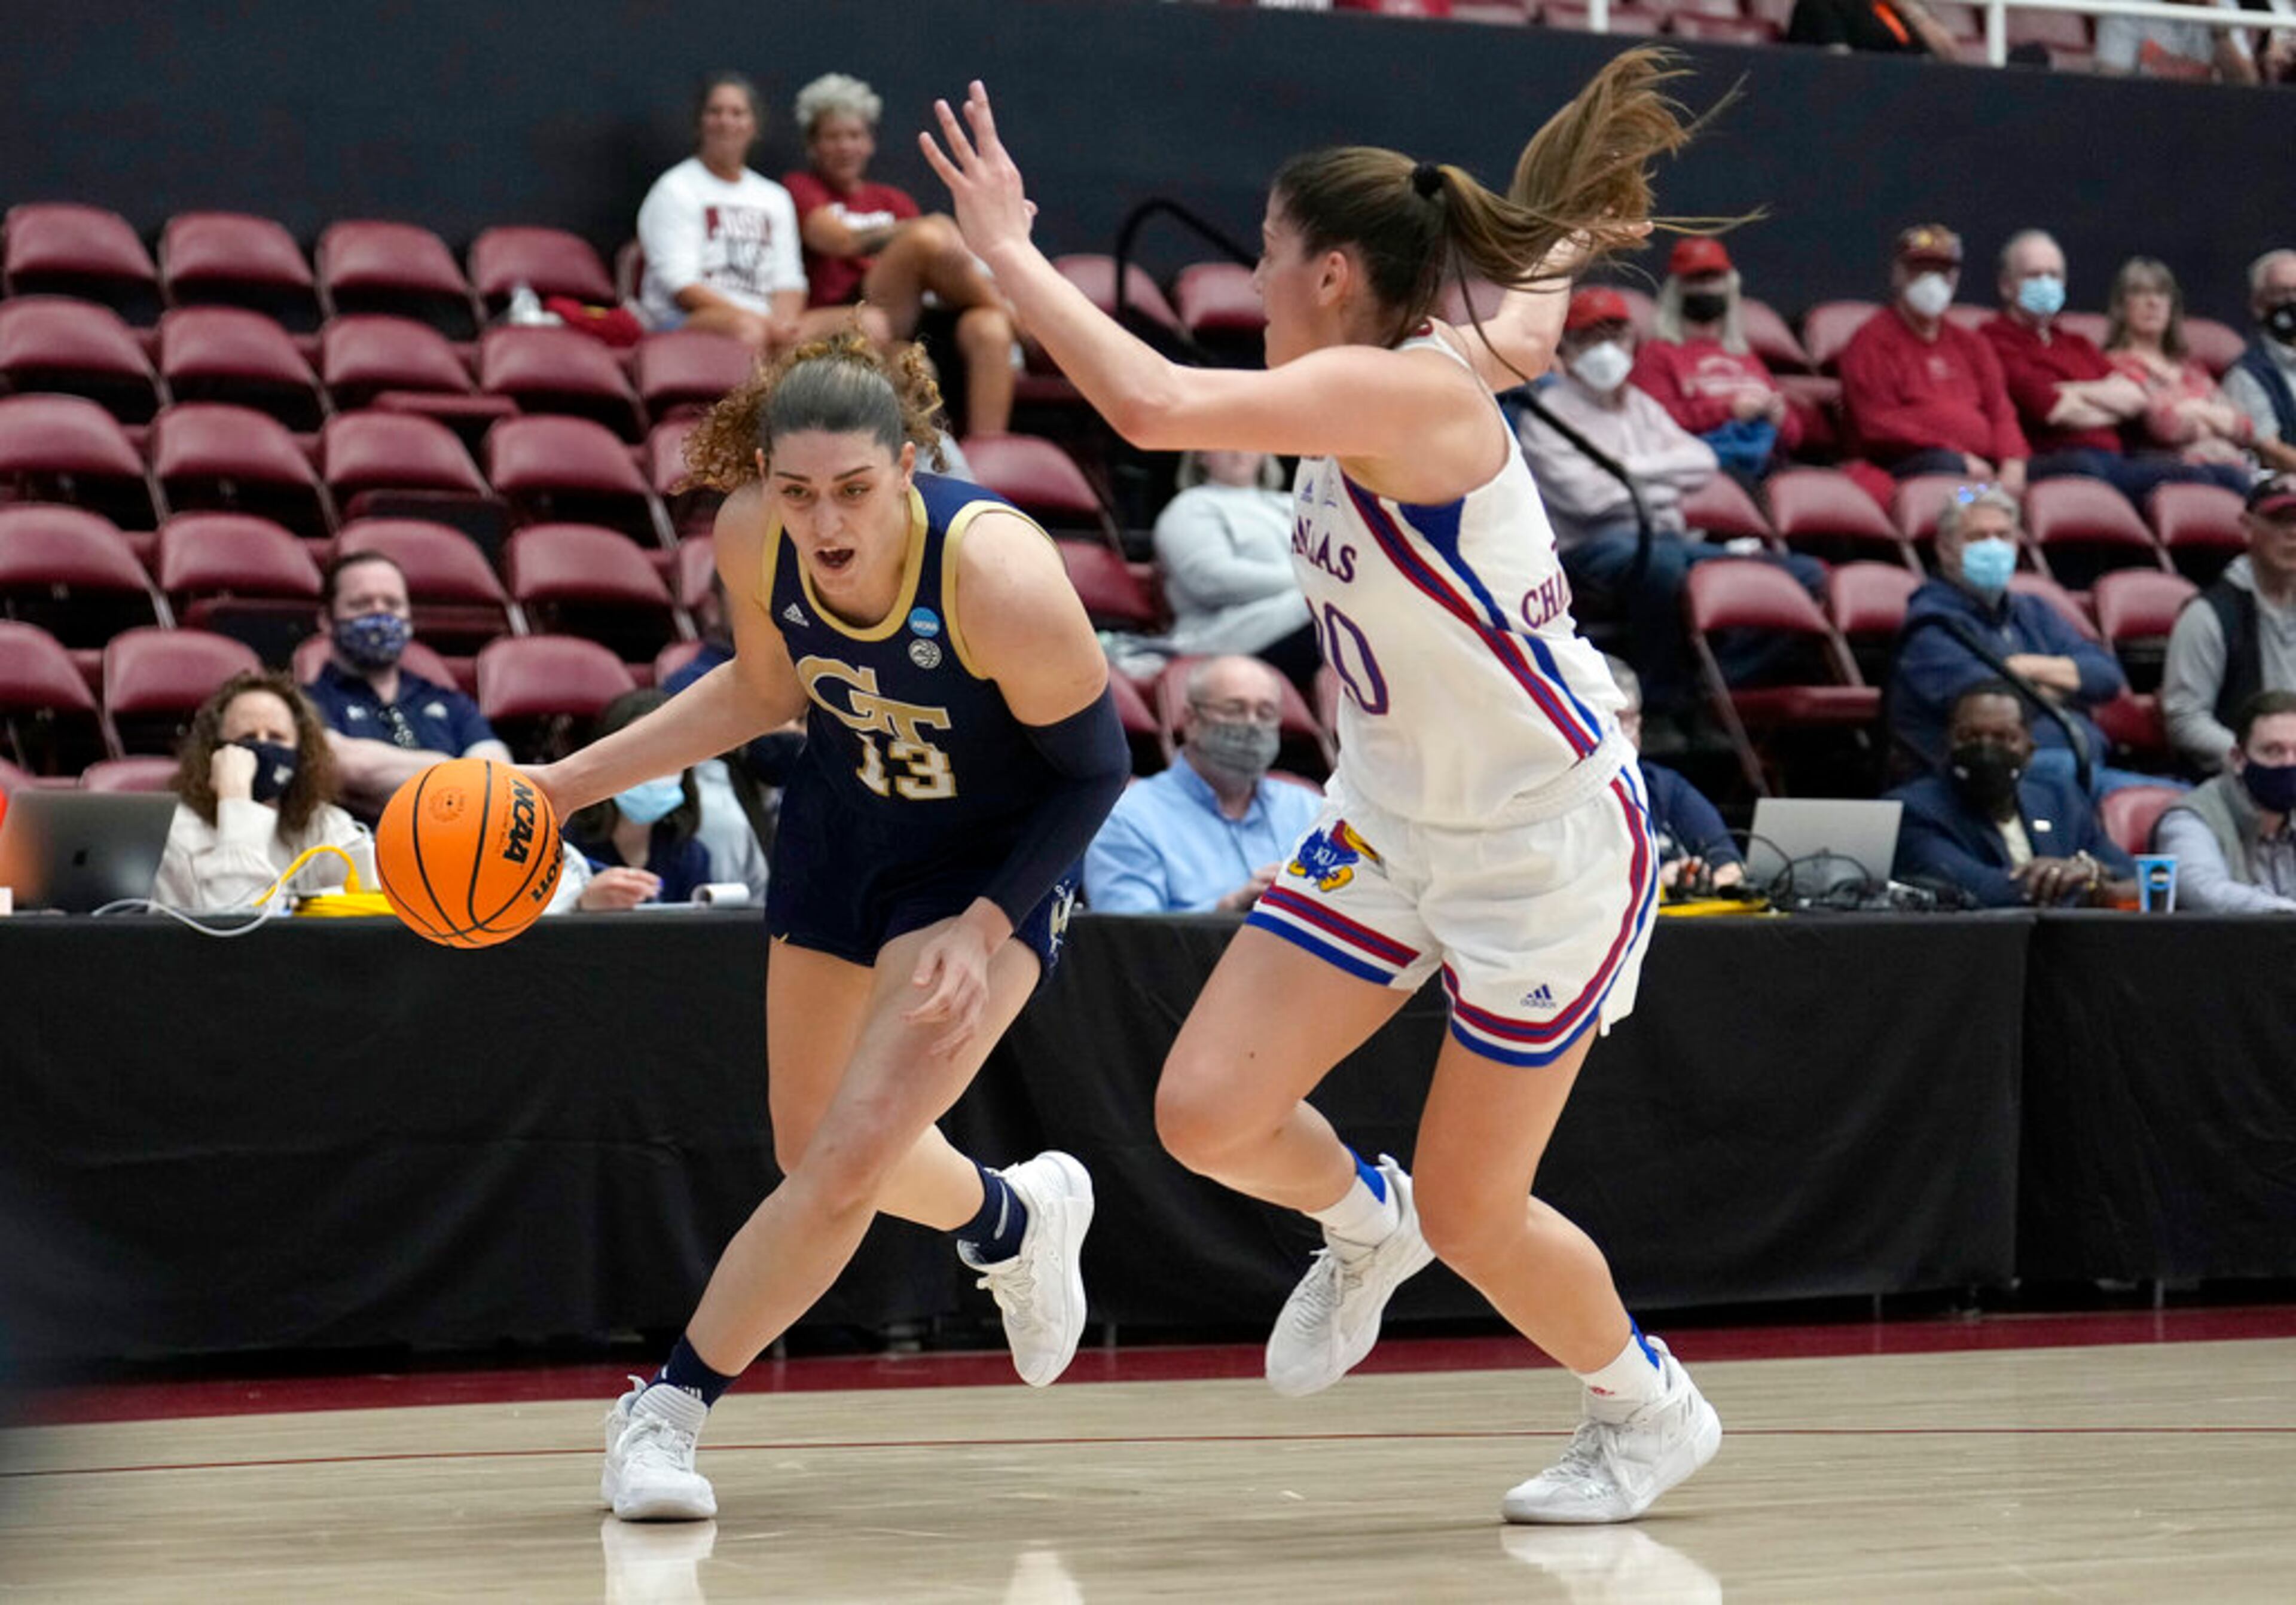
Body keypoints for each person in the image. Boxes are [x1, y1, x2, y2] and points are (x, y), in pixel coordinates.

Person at [923, 48, 1721, 1525]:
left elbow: (1155, 405)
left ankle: (1644, 1403)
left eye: (1273, 252)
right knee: (1208, 1110)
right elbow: (1529, 317)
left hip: (1543, 846)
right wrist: (1554, 230)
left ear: (1336, 272)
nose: (1257, 276)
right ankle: (1364, 1227)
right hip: (1395, 818)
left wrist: (1009, 256)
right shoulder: (1421, 369)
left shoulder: (1391, 394)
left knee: (1484, 1205)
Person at [527, 331, 1129, 1522]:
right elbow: (761, 690)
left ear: (909, 465)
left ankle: (665, 1409)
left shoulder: (993, 571)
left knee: (851, 1157)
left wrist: (984, 921)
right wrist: (563, 785)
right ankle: (1013, 1215)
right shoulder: (753, 532)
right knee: (817, 1146)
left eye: (853, 489)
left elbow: (1097, 769)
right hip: (842, 833)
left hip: (983, 864)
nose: (826, 519)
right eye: (799, 491)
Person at [1519, 284, 1824, 719]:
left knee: (1803, 575)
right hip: (1592, 548)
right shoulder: (1548, 412)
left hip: (1669, 538)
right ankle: (1662, 700)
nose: (1605, 350)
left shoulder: (1641, 405)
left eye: (1615, 337)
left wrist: (1624, 468)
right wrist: (1659, 476)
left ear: (1631, 343)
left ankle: (1715, 682)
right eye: (1591, 339)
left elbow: (1700, 461)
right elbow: (1586, 500)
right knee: (1659, 565)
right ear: (1567, 348)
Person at [783, 72, 1019, 436]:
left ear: (870, 143)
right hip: (851, 308)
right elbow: (840, 241)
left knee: (988, 326)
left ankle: (990, 454)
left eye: (854, 136)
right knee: (928, 236)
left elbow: (938, 264)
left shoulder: (893, 199)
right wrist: (927, 228)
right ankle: (1026, 327)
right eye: (832, 137)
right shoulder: (802, 189)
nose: (845, 146)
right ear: (813, 145)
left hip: (913, 314)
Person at [1889, 485, 2131, 788]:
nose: (1993, 547)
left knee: (2173, 802)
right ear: (1945, 548)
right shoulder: (1931, 623)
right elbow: (1991, 704)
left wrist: (2023, 667)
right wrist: (2062, 683)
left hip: (2066, 768)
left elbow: (2106, 675)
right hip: (1980, 782)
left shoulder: (2034, 611)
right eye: (1978, 537)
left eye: (2003, 536)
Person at [634, 72, 887, 354]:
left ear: (753, 126)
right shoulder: (675, 189)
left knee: (872, 323)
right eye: (715, 112)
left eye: (737, 113)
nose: (726, 121)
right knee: (747, 331)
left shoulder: (774, 197)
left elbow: (789, 280)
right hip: (685, 320)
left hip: (768, 322)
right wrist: (762, 324)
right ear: (700, 123)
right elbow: (681, 287)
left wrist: (784, 324)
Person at [1981, 231, 2245, 500]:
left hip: (2117, 458)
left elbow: (2135, 398)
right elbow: (2052, 409)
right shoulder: (1994, 339)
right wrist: (2100, 398)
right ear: (2006, 285)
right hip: (2058, 458)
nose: (2046, 284)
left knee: (2213, 476)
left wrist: (2074, 392)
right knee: (2089, 467)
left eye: (2054, 275)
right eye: (2034, 276)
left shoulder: (2077, 343)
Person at [1083, 654, 1324, 913]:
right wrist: (1227, 911)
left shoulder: (1309, 807)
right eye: (1234, 710)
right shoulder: (1129, 818)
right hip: (1200, 954)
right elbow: (1125, 937)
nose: (1253, 724)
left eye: (1266, 713)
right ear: (1191, 720)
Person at [1889, 681, 2137, 909]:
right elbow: (1980, 891)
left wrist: (2093, 870)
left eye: (2003, 738)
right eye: (1970, 737)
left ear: (2029, 751)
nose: (1986, 749)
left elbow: (2131, 875)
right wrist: (2074, 882)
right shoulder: (1914, 810)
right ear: (1947, 744)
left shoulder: (2060, 800)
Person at [301, 552, 510, 819]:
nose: (380, 612)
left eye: (393, 604)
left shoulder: (449, 701)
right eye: (361, 604)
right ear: (326, 620)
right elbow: (351, 768)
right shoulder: (306, 703)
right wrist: (454, 771)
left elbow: (499, 774)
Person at [154, 670, 376, 911]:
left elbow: (374, 905)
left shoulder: (325, 824)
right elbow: (235, 923)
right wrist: (235, 801)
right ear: (216, 753)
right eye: (248, 737)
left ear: (302, 753)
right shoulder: (180, 829)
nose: (263, 746)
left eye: (276, 737)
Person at [1837, 225, 2028, 493]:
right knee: (1949, 469)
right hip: (1910, 463)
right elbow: (1878, 423)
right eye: (1921, 269)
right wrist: (1958, 454)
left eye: (1942, 272)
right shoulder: (1871, 341)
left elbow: (2001, 411)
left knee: (2076, 468)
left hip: (1980, 463)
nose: (1932, 281)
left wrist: (2013, 463)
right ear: (1898, 274)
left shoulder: (1972, 344)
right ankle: (1967, 512)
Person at [1631, 236, 1801, 482]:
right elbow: (1654, 422)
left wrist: (1779, 417)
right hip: (1702, 468)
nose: (1707, 288)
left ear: (1730, 287)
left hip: (1763, 468)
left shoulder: (1743, 354)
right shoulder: (1657, 353)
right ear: (1677, 290)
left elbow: (1794, 435)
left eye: (1715, 279)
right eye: (1697, 280)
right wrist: (1729, 411)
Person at [2161, 473, 2296, 774]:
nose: (2293, 533)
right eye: (2280, 521)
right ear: (2247, 528)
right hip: (2239, 785)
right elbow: (2185, 720)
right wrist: (2259, 758)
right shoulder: (2209, 615)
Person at [1150, 449, 1319, 686]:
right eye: (1225, 443)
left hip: (1297, 621)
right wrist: (1313, 581)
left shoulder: (1292, 504)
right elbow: (1209, 580)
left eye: (1249, 442)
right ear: (1200, 456)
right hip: (1221, 634)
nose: (1240, 452)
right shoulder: (1191, 506)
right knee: (1331, 603)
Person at [557, 689, 716, 909]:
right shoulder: (561, 846)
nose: (654, 768)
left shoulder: (690, 854)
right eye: (640, 755)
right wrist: (579, 903)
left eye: (670, 754)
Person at [2102, 255, 2260, 473]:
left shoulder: (2190, 369)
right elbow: (2166, 426)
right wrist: (2213, 418)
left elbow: (2245, 428)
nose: (2153, 302)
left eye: (2161, 294)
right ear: (2121, 305)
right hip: (2166, 473)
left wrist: (2194, 410)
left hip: (2230, 468)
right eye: (2140, 293)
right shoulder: (2114, 363)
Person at [1605, 658, 1742, 894]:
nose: (1620, 735)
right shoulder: (1557, 800)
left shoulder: (1664, 787)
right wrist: (1655, 882)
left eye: (1628, 720)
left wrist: (1696, 882)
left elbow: (1731, 866)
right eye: (1609, 720)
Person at [2154, 689, 2296, 911]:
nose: (2289, 763)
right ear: (2238, 759)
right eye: (2273, 751)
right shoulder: (2191, 818)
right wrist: (2285, 912)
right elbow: (2202, 890)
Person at [2223, 249, 2296, 475]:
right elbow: (2272, 452)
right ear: (2258, 304)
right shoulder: (2249, 374)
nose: (2293, 301)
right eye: (2283, 293)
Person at [2097, 0, 2261, 82]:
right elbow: (2110, 87)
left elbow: (2247, 85)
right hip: (2141, 117)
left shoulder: (2221, 5)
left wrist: (2221, 34)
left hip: (2206, 117)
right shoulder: (2125, 6)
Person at [1784, 0, 1961, 54]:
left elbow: (1951, 56)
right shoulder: (1822, 5)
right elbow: (1839, 69)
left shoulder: (1900, 10)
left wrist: (1911, 9)